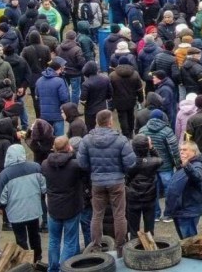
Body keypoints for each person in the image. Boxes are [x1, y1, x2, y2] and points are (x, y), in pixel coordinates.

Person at [78, 109, 136, 250]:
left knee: (97, 215)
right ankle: (120, 245)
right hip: (116, 182)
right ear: (110, 122)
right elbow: (131, 163)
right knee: (119, 215)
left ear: (97, 122)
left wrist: (94, 171)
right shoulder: (121, 139)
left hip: (97, 182)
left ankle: (96, 245)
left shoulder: (87, 140)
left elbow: (82, 163)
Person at [0, 144, 47, 262]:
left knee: (21, 239)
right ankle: (37, 258)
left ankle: (25, 260)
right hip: (33, 210)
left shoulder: (4, 175)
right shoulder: (36, 167)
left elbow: (1, 199)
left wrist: (1, 207)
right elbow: (44, 188)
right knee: (35, 235)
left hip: (15, 214)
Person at [42, 136, 84, 272]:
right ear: (68, 147)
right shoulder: (75, 165)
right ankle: (63, 269)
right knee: (69, 242)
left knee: (53, 241)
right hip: (71, 208)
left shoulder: (44, 164)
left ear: (54, 147)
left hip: (54, 208)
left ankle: (53, 268)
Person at [165, 140, 202, 238]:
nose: (181, 152)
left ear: (194, 152)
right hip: (180, 210)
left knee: (189, 241)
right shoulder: (183, 164)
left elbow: (197, 177)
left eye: (185, 149)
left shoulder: (197, 165)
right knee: (183, 240)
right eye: (180, 150)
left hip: (188, 211)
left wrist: (187, 165)